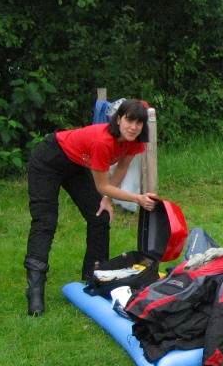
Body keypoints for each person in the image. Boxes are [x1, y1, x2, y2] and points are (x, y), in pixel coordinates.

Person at [24, 99, 160, 316]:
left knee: (100, 216)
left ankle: (94, 277)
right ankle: (35, 291)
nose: (134, 127)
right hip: (49, 160)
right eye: (129, 120)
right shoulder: (103, 141)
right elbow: (103, 184)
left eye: (139, 122)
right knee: (45, 222)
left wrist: (106, 199)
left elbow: (120, 170)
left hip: (77, 165)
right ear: (119, 119)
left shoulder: (135, 141)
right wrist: (137, 198)